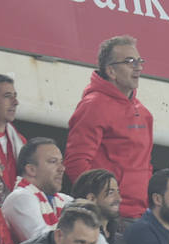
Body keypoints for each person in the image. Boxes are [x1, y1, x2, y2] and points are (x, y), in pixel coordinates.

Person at [64, 36, 153, 222]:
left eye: (139, 61)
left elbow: (146, 167)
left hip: (140, 216)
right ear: (111, 71)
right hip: (109, 217)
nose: (138, 67)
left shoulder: (144, 113)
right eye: (130, 62)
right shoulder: (93, 105)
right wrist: (98, 209)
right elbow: (76, 163)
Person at [0, 138, 70, 244]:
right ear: (31, 170)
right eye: (53, 162)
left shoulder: (64, 200)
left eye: (61, 162)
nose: (62, 168)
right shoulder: (20, 198)